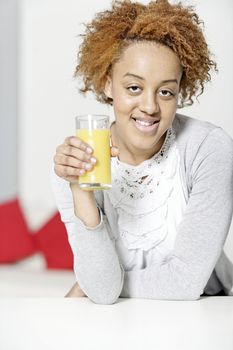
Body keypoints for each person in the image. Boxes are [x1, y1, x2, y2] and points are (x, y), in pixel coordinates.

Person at [52, 0, 233, 304]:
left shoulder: (207, 149)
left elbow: (186, 283)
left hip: (206, 316)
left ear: (180, 92)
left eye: (165, 92)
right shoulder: (74, 164)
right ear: (108, 84)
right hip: (118, 323)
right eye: (134, 88)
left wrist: (94, 286)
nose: (149, 107)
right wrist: (80, 191)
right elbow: (103, 291)